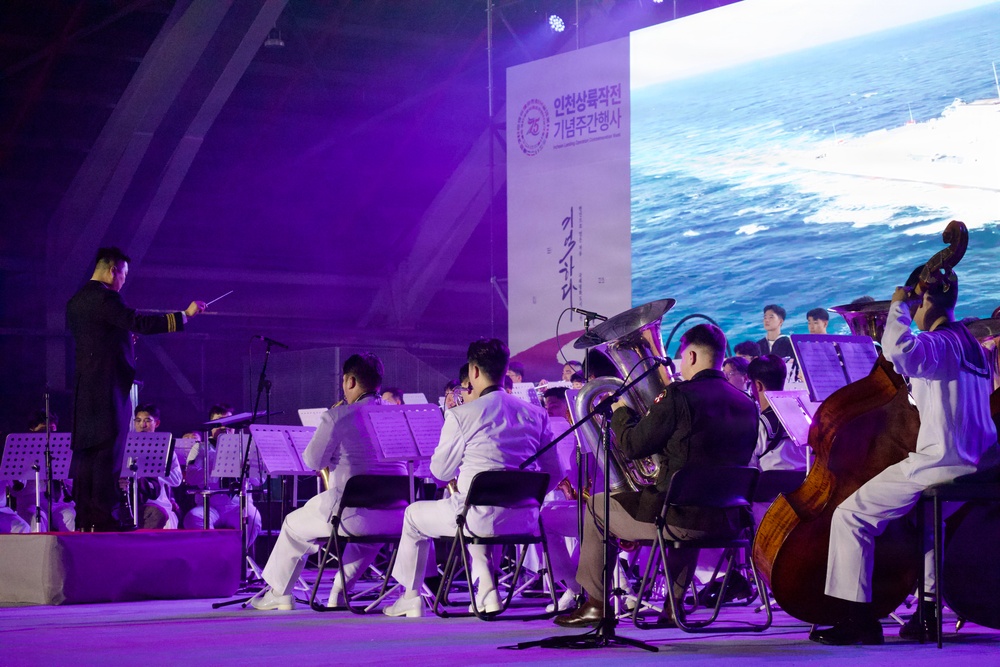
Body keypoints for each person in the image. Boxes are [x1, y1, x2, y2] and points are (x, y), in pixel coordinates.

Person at [812, 270, 997, 646]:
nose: (913, 314)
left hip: (942, 461)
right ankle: (928, 616)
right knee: (930, 525)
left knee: (850, 515)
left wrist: (898, 306)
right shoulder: (973, 347)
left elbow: (898, 350)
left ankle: (858, 619)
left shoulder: (939, 342)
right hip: (980, 463)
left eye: (916, 306)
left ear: (925, 302)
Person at [554, 324, 759, 628]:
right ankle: (673, 607)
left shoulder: (679, 395)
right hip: (726, 521)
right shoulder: (746, 402)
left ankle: (595, 604)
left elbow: (634, 446)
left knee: (598, 506)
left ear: (690, 355)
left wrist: (622, 410)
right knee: (684, 506)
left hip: (680, 520)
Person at [383, 338, 559, 618]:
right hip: (525, 519)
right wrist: (523, 496)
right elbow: (555, 472)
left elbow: (440, 474)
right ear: (504, 371)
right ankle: (488, 591)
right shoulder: (536, 413)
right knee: (469, 512)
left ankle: (410, 596)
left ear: (474, 372)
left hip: (475, 516)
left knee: (414, 515)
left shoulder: (462, 414)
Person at [253, 353, 406, 611]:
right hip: (395, 513)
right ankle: (338, 592)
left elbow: (313, 461)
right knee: (367, 537)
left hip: (349, 511)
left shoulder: (338, 416)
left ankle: (279, 593)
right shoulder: (400, 416)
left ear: (350, 381)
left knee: (292, 525)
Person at [66, 247, 204, 532]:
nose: (123, 282)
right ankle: (105, 519)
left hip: (84, 391)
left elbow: (98, 339)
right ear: (113, 270)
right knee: (108, 454)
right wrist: (184, 316)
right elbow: (138, 321)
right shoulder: (106, 298)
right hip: (107, 390)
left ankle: (85, 519)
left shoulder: (75, 302)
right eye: (124, 275)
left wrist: (121, 341)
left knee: (87, 457)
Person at [182, 403, 262, 545]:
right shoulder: (201, 447)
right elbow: (190, 478)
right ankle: (217, 552)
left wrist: (246, 468)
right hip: (211, 505)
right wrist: (216, 463)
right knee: (193, 518)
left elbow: (259, 481)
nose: (225, 428)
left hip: (238, 505)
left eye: (229, 423)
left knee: (253, 518)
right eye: (219, 423)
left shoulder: (247, 446)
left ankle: (239, 555)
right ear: (211, 426)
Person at [130, 404, 183, 529]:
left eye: (147, 421)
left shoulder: (167, 450)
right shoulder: (128, 446)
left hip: (158, 503)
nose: (142, 425)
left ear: (157, 423)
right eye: (138, 421)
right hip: (131, 501)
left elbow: (177, 480)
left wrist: (155, 468)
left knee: (164, 519)